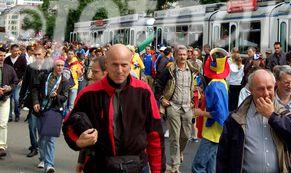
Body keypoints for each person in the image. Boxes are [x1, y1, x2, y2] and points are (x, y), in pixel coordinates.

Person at [63, 44, 165, 173]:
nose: (119, 70)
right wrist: (78, 142)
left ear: (131, 63)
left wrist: (158, 170)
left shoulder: (144, 92)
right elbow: (69, 126)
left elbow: (155, 135)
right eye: (115, 64)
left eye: (124, 65)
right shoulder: (88, 94)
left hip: (137, 166)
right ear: (107, 64)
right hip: (99, 166)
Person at [216, 69, 291, 173]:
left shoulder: (285, 112)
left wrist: (272, 116)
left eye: (269, 88)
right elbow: (223, 157)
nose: (266, 93)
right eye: (260, 89)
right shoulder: (236, 118)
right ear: (251, 90)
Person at [154, 45, 197, 173]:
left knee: (185, 135)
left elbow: (198, 85)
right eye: (180, 54)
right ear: (175, 55)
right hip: (173, 106)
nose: (183, 57)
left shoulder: (192, 69)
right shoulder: (170, 70)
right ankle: (175, 165)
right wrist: (162, 99)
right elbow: (158, 84)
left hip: (187, 107)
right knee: (174, 137)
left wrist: (194, 99)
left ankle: (180, 153)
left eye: (184, 54)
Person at [191, 48, 230, 173]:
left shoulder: (215, 85)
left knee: (198, 166)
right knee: (210, 167)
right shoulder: (222, 82)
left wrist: (201, 112)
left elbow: (220, 114)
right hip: (215, 131)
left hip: (212, 132)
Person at [32, 59, 70, 173]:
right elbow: (35, 89)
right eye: (58, 65)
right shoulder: (44, 76)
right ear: (54, 66)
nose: (60, 67)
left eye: (62, 65)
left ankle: (49, 164)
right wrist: (35, 102)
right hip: (40, 109)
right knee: (42, 137)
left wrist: (57, 96)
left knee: (50, 138)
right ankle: (43, 158)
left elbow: (64, 98)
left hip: (53, 111)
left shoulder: (65, 81)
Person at [75, 56, 107, 173]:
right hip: (94, 158)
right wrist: (81, 160)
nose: (91, 75)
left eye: (95, 72)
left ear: (106, 72)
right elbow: (87, 130)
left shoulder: (132, 94)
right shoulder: (89, 94)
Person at [20, 46, 52, 159]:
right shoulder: (30, 67)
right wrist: (20, 100)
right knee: (32, 126)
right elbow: (25, 84)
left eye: (39, 54)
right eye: (35, 55)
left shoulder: (50, 68)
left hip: (46, 102)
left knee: (42, 128)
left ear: (44, 54)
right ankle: (34, 147)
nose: (37, 56)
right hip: (32, 101)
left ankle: (41, 147)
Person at [0, 49, 18, 157]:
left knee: (2, 123)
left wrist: (9, 88)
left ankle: (1, 146)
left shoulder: (9, 69)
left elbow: (15, 82)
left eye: (2, 56)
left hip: (4, 99)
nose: (0, 58)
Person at [5, 43, 28, 122]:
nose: (17, 52)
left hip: (18, 82)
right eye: (15, 51)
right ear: (11, 50)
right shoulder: (7, 59)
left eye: (18, 51)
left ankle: (17, 114)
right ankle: (10, 116)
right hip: (9, 82)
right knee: (9, 99)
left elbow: (25, 71)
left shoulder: (22, 58)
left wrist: (22, 80)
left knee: (16, 99)